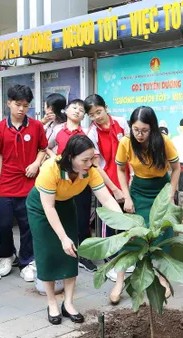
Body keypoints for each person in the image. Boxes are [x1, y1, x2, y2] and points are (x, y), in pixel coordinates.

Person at [28, 134, 122, 324]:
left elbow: (106, 199)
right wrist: (62, 237)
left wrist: (124, 223)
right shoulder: (51, 169)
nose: (89, 163)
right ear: (70, 157)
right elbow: (49, 207)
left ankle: (69, 303)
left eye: (91, 158)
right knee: (48, 253)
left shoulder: (90, 171)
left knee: (71, 252)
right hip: (42, 207)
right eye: (85, 160)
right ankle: (52, 302)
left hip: (66, 205)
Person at [113, 106, 181, 304]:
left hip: (161, 190)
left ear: (152, 128)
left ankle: (163, 280)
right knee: (130, 234)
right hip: (138, 191)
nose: (139, 135)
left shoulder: (164, 141)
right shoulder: (126, 142)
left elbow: (177, 169)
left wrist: (171, 195)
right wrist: (127, 197)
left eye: (144, 130)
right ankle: (119, 281)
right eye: (135, 130)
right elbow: (119, 170)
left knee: (163, 235)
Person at [0, 84, 48, 282]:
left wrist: (35, 163)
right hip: (6, 184)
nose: (21, 109)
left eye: (26, 105)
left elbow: (43, 148)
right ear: (8, 103)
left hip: (30, 185)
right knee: (4, 225)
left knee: (28, 225)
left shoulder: (36, 126)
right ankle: (7, 256)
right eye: (17, 104)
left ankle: (27, 261)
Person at [84, 94, 132, 281]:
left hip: (127, 179)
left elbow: (131, 150)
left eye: (98, 111)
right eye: (92, 114)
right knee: (108, 223)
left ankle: (126, 258)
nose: (96, 117)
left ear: (106, 107)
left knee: (126, 220)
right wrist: (114, 189)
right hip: (106, 183)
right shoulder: (92, 133)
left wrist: (130, 182)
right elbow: (96, 166)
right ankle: (110, 262)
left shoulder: (121, 122)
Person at [51, 98, 96, 273]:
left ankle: (83, 255)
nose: (77, 111)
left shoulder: (86, 133)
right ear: (67, 110)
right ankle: (64, 251)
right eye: (74, 107)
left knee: (83, 218)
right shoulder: (56, 130)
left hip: (82, 180)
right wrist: (55, 158)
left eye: (81, 110)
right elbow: (45, 147)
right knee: (62, 216)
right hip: (61, 181)